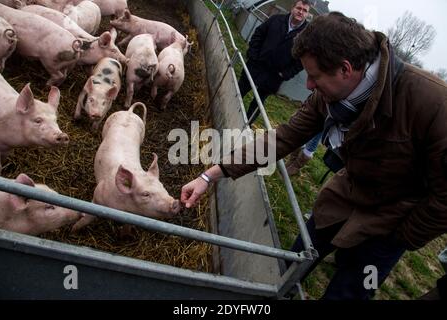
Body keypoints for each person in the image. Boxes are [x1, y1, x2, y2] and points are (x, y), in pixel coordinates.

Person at [181, 12, 447, 299]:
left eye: (314, 76)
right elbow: (282, 138)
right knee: (294, 262)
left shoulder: (433, 103)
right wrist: (210, 175)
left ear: (345, 69)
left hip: (391, 221)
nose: (308, 85)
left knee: (353, 290)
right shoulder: (330, 97)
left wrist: (403, 237)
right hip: (344, 197)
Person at [238, 0, 311, 124]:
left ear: (308, 14)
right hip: (255, 65)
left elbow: (301, 61)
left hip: (274, 76)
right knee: (239, 91)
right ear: (292, 8)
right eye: (299, 8)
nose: (301, 12)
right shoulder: (276, 20)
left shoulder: (307, 35)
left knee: (258, 103)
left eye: (305, 10)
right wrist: (253, 55)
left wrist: (285, 74)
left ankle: (246, 126)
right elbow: (258, 34)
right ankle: (228, 109)